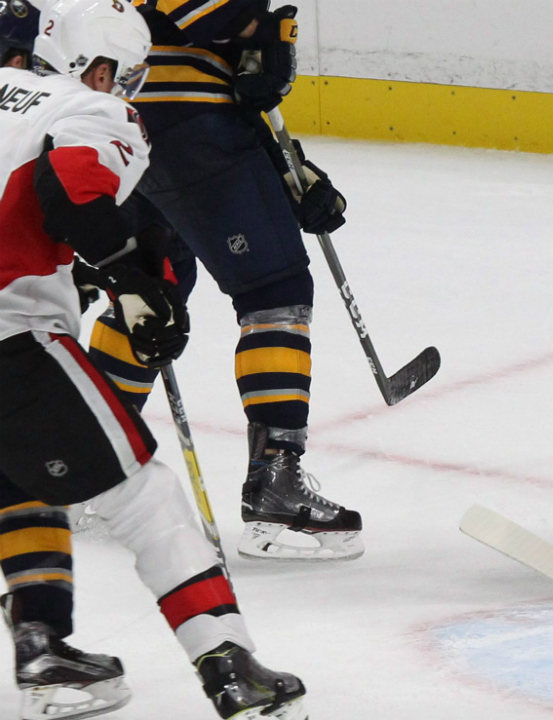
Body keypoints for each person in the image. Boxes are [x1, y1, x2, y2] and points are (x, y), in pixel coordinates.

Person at [0, 1, 306, 717]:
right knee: (147, 497)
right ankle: (228, 666)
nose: (127, 88)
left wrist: (122, 266)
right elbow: (70, 189)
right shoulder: (90, 110)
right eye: (124, 73)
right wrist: (134, 280)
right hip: (11, 338)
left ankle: (44, 650)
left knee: (20, 481)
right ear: (97, 63)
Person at [81, 0, 361, 561]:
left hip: (126, 125)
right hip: (192, 125)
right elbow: (213, 19)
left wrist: (286, 166)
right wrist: (266, 34)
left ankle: (90, 464)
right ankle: (275, 478)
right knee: (273, 292)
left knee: (152, 292)